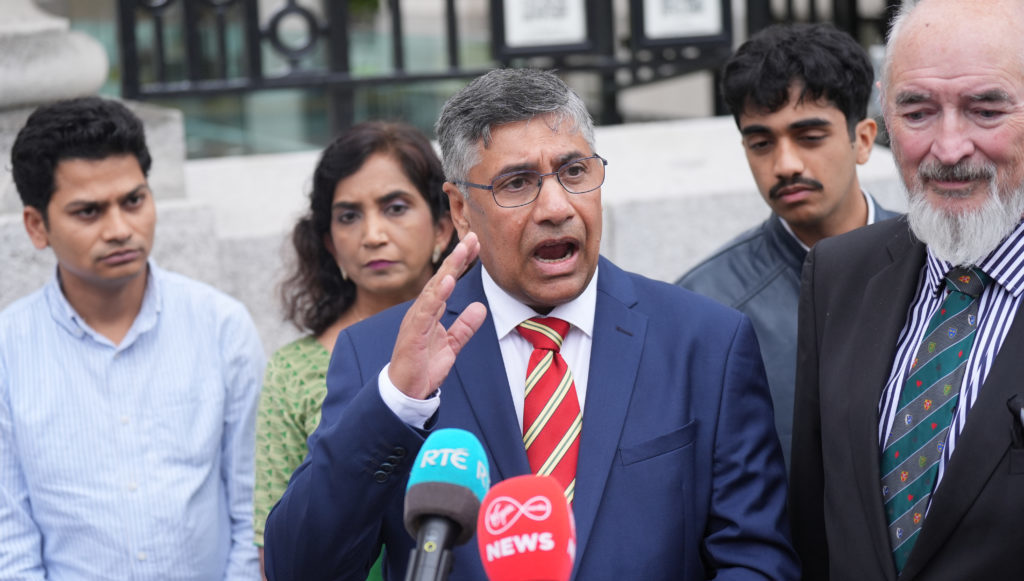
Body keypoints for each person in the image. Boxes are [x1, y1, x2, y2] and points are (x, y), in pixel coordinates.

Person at [264, 68, 798, 580]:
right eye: (517, 183)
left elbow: (757, 560)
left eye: (574, 172)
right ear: (460, 210)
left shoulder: (705, 342)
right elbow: (300, 569)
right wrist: (397, 404)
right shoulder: (380, 356)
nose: (556, 207)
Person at [790, 0, 1024, 579]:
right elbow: (813, 524)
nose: (949, 149)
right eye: (917, 112)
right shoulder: (837, 275)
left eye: (986, 111)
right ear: (885, 117)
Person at [0, 97, 264, 580]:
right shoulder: (8, 352)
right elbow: (9, 539)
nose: (120, 229)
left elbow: (253, 509)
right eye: (88, 212)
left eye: (133, 201)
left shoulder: (221, 327)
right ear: (37, 226)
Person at [676, 22, 900, 465]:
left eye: (810, 137)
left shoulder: (940, 265)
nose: (786, 164)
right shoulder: (704, 309)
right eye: (761, 143)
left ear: (863, 140)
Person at [253, 121, 455, 579]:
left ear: (443, 227)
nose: (373, 235)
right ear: (329, 243)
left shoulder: (477, 340)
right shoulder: (296, 371)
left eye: (395, 208)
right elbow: (276, 552)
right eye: (349, 216)